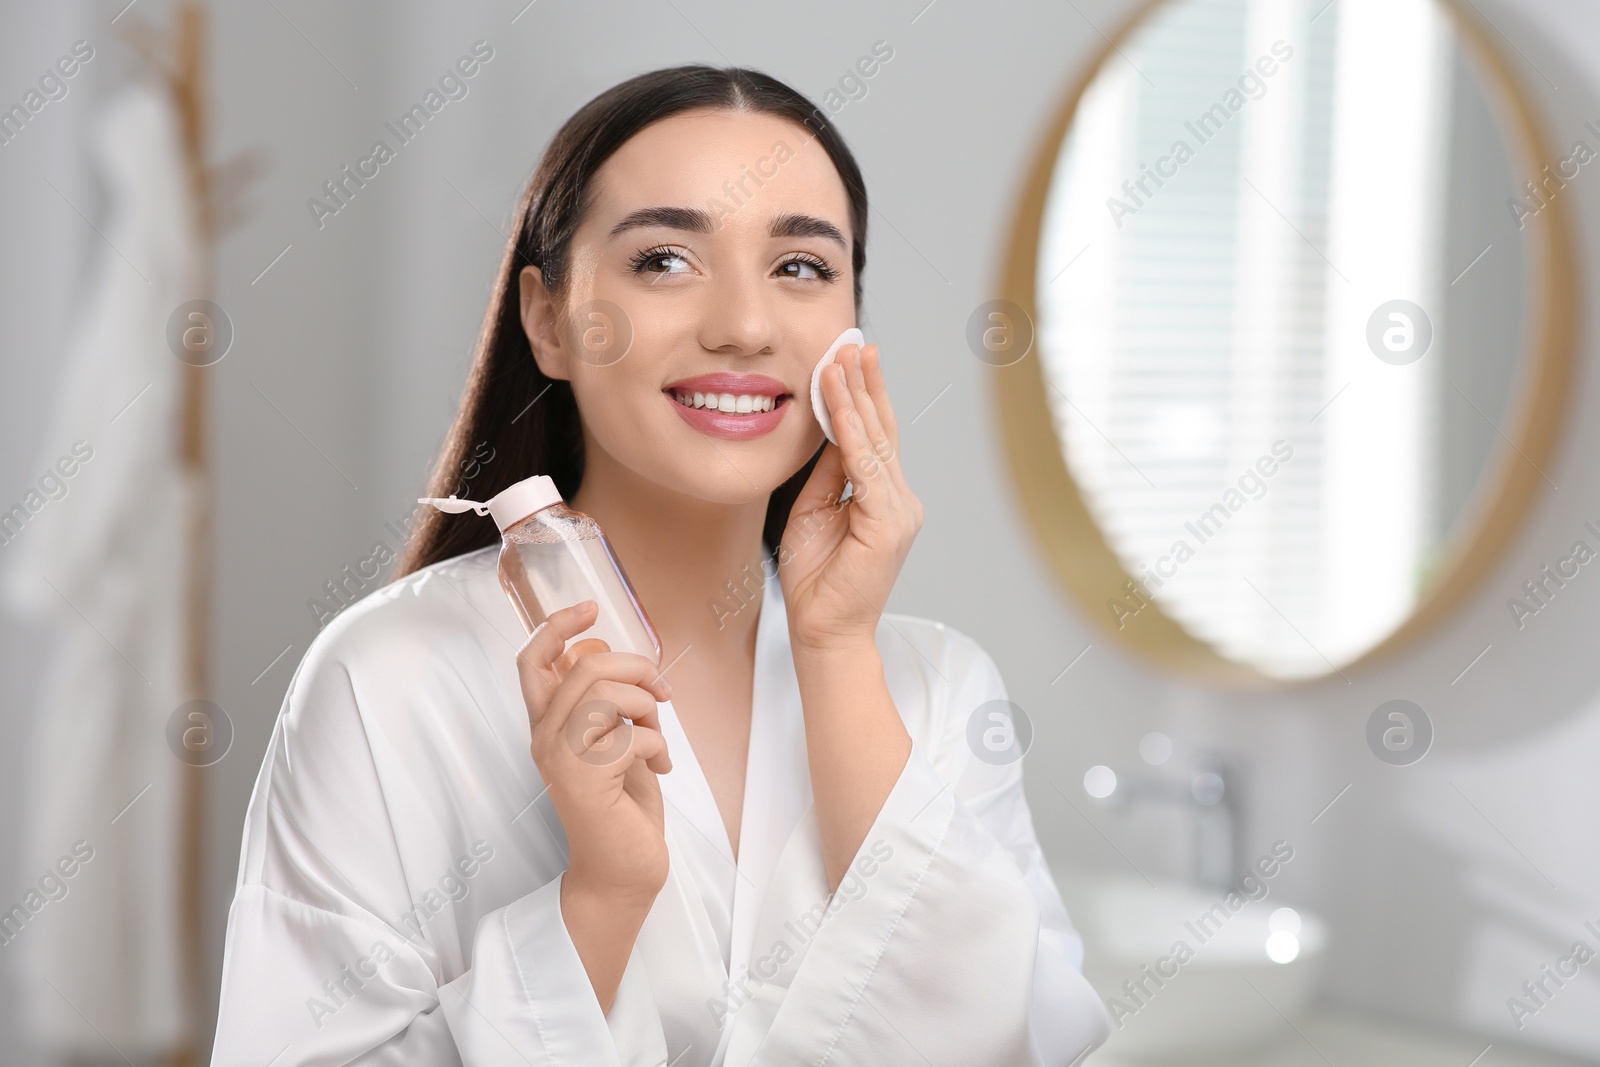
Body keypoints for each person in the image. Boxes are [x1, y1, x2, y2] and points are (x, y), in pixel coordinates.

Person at [211, 63, 1111, 1066]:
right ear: (548, 318)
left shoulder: (939, 688)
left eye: (801, 267)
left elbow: (1028, 1040)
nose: (742, 324)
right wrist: (597, 902)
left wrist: (836, 648)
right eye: (665, 260)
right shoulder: (388, 676)